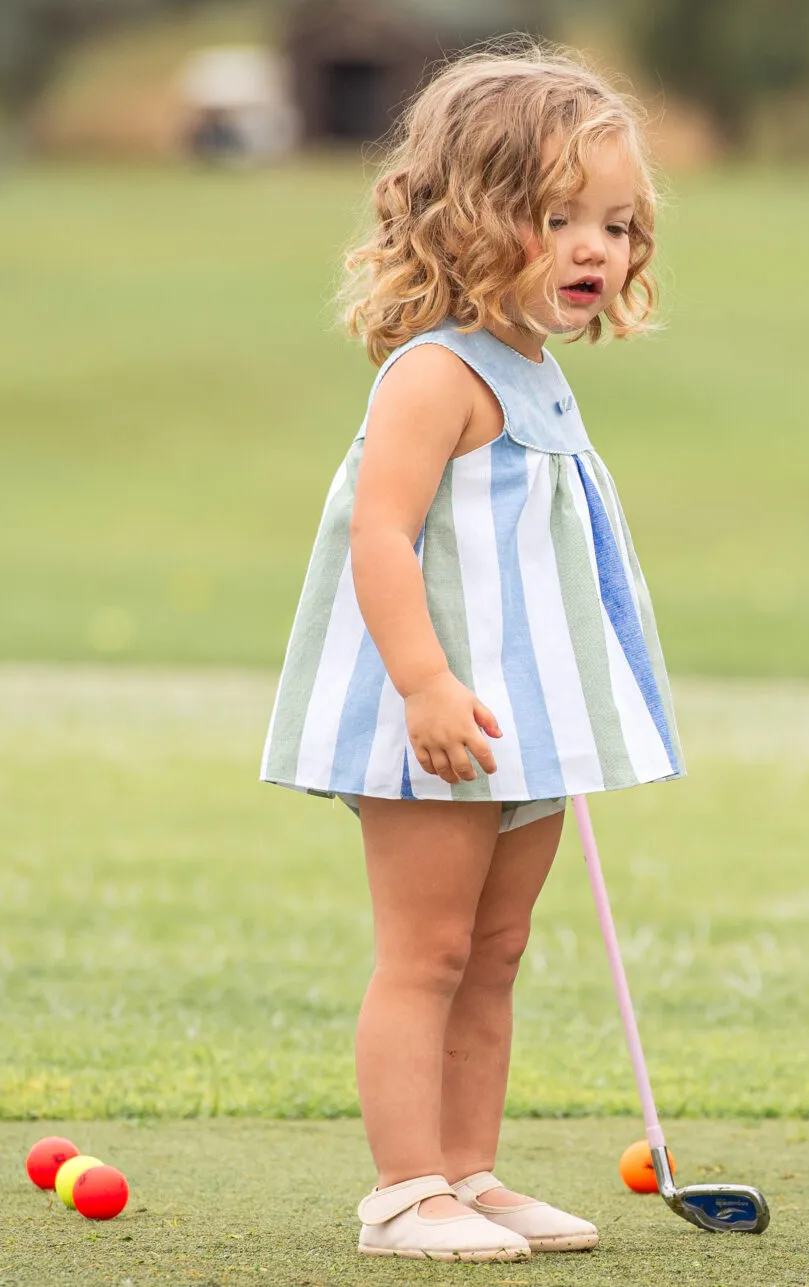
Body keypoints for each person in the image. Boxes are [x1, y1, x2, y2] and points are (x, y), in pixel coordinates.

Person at [258, 45, 678, 1263]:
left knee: (495, 953)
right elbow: (378, 535)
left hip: (520, 721)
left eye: (615, 225)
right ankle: (404, 1191)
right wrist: (426, 684)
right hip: (436, 718)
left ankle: (468, 1173)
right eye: (557, 220)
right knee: (429, 952)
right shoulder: (435, 374)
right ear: (471, 220)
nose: (595, 249)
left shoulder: (533, 371)